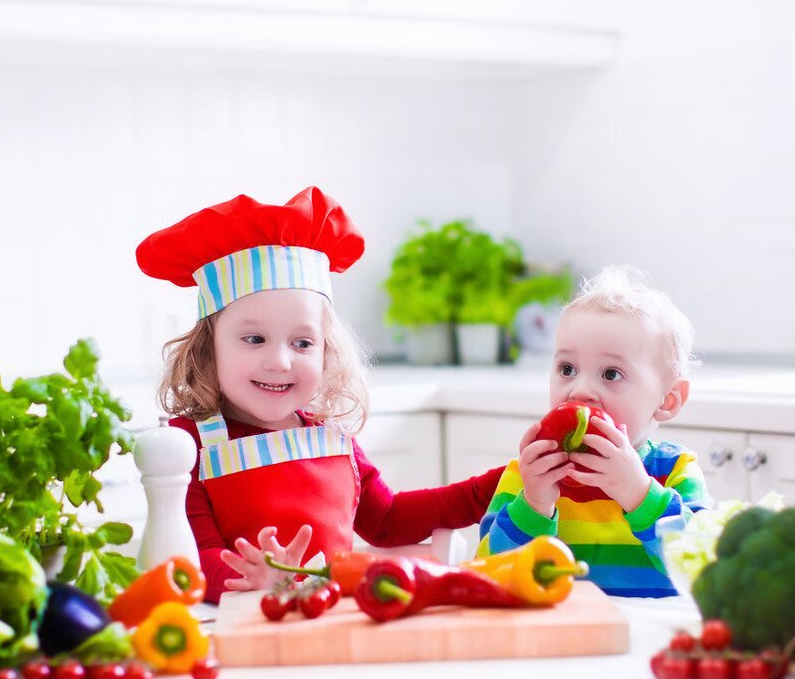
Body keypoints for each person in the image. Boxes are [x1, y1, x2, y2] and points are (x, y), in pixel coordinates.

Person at [136, 187, 504, 603]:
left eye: (302, 343)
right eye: (254, 339)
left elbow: (388, 521)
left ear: (326, 350)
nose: (280, 361)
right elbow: (194, 559)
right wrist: (256, 581)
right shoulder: (188, 444)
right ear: (208, 348)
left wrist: (500, 484)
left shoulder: (331, 437)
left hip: (331, 621)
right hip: (242, 627)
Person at [476, 266, 711, 597]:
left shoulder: (674, 471)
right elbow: (490, 572)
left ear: (667, 399)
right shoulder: (529, 475)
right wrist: (535, 504)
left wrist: (640, 495)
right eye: (567, 369)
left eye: (611, 374)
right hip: (562, 626)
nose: (580, 390)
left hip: (653, 627)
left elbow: (705, 568)